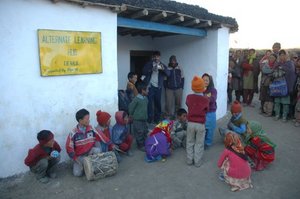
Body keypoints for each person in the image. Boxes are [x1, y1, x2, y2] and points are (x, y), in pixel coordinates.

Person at [66, 109, 103, 177]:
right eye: (87, 119)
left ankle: (92, 165)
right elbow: (69, 148)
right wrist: (76, 159)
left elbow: (101, 135)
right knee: (77, 174)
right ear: (80, 120)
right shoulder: (73, 133)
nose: (89, 120)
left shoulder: (91, 128)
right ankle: (85, 165)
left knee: (97, 149)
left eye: (89, 118)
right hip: (80, 157)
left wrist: (110, 143)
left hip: (90, 153)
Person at [185, 76, 209, 167]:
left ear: (192, 87)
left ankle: (189, 160)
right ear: (203, 88)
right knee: (199, 143)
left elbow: (187, 104)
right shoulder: (206, 99)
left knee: (190, 141)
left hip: (190, 123)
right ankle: (197, 161)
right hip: (200, 124)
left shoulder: (189, 97)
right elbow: (207, 109)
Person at [142, 51, 170, 124]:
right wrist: (151, 69)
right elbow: (144, 71)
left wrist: (163, 69)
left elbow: (168, 74)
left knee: (157, 103)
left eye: (158, 56)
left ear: (159, 57)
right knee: (149, 103)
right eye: (155, 56)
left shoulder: (162, 65)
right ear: (153, 57)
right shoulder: (149, 64)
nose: (156, 58)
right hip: (150, 86)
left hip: (158, 87)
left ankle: (157, 119)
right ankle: (149, 119)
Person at [273, 50, 296, 122]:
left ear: (287, 55)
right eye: (280, 55)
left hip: (286, 86)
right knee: (277, 102)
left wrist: (282, 68)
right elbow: (273, 72)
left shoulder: (290, 63)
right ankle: (277, 115)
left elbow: (291, 73)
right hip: (277, 86)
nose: (282, 56)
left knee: (285, 103)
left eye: (283, 55)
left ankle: (284, 116)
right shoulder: (277, 63)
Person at [128, 82, 149, 151]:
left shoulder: (145, 99)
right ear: (143, 90)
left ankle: (144, 143)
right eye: (147, 90)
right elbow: (131, 108)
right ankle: (140, 145)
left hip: (144, 119)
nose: (148, 91)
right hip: (137, 120)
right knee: (139, 132)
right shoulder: (136, 99)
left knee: (145, 131)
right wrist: (131, 115)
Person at [202, 73, 217, 149]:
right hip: (202, 113)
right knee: (202, 129)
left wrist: (204, 97)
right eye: (203, 80)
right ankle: (202, 142)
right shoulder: (200, 89)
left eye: (207, 80)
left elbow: (212, 99)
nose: (205, 82)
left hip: (211, 112)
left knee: (210, 129)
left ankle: (208, 143)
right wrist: (207, 97)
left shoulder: (213, 90)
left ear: (210, 81)